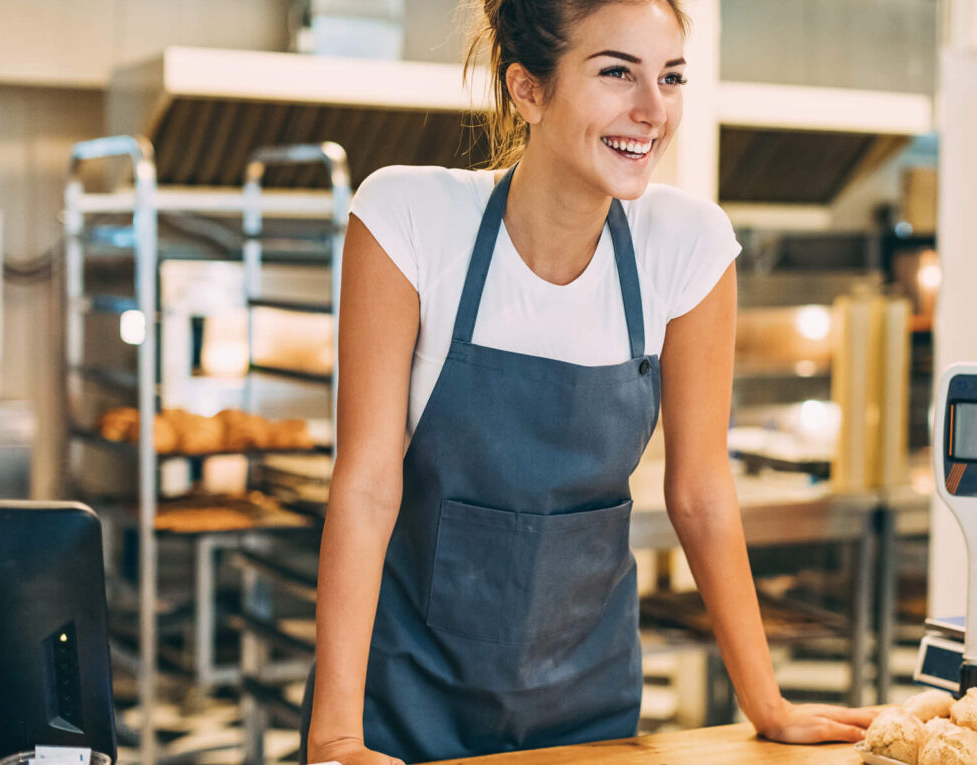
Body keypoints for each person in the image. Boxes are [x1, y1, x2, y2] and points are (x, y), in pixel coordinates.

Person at [300, 1, 878, 762]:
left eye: (670, 77)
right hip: (405, 701)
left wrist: (765, 702)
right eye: (616, 73)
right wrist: (337, 737)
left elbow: (701, 492)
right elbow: (369, 482)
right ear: (528, 90)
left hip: (589, 702)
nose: (652, 110)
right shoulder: (408, 219)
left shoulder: (689, 247)